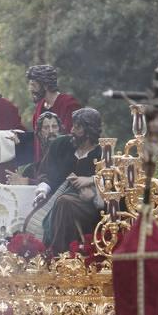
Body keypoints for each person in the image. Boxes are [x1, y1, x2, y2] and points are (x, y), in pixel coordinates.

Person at [29, 107, 103, 255]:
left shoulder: (102, 152)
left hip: (89, 204)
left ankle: (56, 253)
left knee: (65, 202)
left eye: (77, 127)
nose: (72, 130)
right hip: (57, 196)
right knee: (60, 203)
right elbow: (48, 173)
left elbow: (112, 180)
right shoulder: (62, 145)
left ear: (89, 131)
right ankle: (52, 252)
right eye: (73, 125)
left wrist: (91, 183)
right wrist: (43, 190)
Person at [26, 64, 80, 162]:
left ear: (45, 85)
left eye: (34, 85)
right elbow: (37, 139)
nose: (30, 89)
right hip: (43, 169)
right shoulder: (40, 107)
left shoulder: (69, 105)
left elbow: (72, 141)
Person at [6, 111, 64, 186]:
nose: (51, 131)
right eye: (46, 127)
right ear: (40, 133)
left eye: (54, 126)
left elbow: (58, 181)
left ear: (60, 129)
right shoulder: (32, 168)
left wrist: (27, 181)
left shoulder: (66, 152)